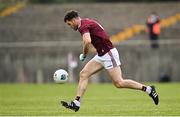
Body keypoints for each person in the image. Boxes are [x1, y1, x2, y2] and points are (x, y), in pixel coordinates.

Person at [61, 10, 159, 112]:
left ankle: (149, 89)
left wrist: (85, 54)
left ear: (74, 20)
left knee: (119, 83)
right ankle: (77, 103)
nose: (70, 26)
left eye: (69, 24)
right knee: (84, 74)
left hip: (108, 54)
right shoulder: (86, 22)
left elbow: (87, 41)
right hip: (101, 55)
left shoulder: (82, 26)